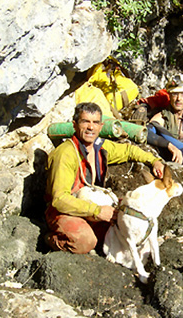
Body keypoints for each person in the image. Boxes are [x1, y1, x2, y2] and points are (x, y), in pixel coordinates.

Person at [45, 102, 165, 254]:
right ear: (75, 125)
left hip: (90, 204)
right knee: (85, 241)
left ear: (101, 126)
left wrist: (155, 161)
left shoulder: (100, 147)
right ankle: (50, 239)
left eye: (95, 122)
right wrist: (98, 211)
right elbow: (59, 200)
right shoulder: (65, 154)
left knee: (130, 217)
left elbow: (129, 151)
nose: (91, 127)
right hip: (63, 210)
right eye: (85, 122)